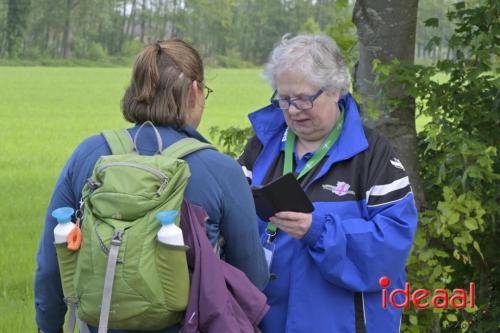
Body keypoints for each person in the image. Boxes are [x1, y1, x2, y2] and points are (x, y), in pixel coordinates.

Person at [35, 39, 269, 333]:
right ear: (195, 91)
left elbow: (51, 262)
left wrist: (48, 326)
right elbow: (253, 278)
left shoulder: (88, 154)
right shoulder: (220, 169)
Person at [238, 34, 418, 333]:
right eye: (284, 99)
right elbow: (232, 223)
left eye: (304, 98)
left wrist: (317, 231)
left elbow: (392, 246)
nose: (293, 110)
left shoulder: (373, 156)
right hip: (268, 323)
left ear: (336, 90)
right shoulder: (260, 149)